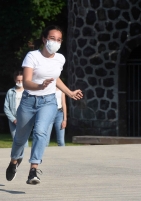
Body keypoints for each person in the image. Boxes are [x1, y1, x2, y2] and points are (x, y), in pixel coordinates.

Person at [6, 25, 83, 185]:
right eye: (52, 39)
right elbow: (26, 82)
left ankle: (33, 169)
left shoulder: (60, 59)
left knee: (41, 132)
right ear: (44, 39)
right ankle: (14, 161)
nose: (56, 42)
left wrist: (69, 93)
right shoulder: (32, 56)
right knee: (20, 139)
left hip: (48, 102)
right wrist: (40, 86)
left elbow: (55, 78)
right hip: (28, 101)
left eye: (59, 40)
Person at [4, 71, 28, 147]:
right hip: (13, 119)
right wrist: (13, 119)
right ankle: (17, 157)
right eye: (18, 80)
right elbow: (6, 107)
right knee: (16, 140)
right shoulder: (10, 92)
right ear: (15, 80)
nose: (20, 82)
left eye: (21, 80)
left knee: (24, 140)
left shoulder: (27, 92)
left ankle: (25, 156)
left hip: (25, 119)